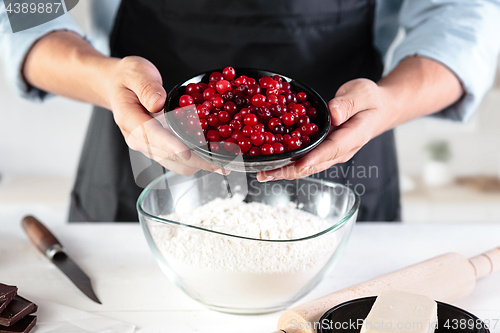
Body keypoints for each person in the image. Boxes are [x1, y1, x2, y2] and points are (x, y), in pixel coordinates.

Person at [1, 0, 499, 222]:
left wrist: (390, 101)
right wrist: (102, 79)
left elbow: (464, 15)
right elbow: (22, 7)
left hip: (343, 153)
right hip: (143, 148)